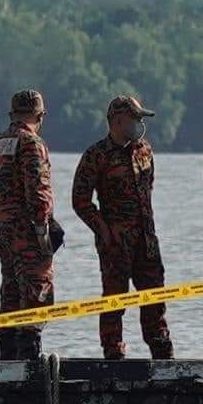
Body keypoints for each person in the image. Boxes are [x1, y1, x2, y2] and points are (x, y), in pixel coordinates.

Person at [72, 96, 174, 360]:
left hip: (147, 240)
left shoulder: (144, 150)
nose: (140, 124)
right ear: (117, 121)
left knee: (154, 298)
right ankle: (113, 353)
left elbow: (147, 191)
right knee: (114, 300)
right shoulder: (96, 155)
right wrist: (104, 231)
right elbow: (80, 201)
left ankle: (162, 351)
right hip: (116, 243)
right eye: (135, 118)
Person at [0, 89, 60, 360]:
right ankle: (28, 361)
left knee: (11, 290)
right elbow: (38, 189)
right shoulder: (31, 143)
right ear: (40, 115)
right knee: (37, 290)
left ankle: (7, 360)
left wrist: (2, 215)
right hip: (28, 230)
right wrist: (42, 228)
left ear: (12, 113)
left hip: (2, 227)